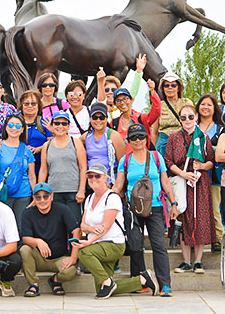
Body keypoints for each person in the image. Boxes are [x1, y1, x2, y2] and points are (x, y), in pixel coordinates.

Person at [73, 164, 159, 299]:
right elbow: (82, 225)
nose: (93, 179)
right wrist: (91, 229)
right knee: (101, 289)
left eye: (97, 176)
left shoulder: (112, 197)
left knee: (83, 252)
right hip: (98, 245)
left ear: (106, 178)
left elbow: (105, 227)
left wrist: (88, 242)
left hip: (113, 244)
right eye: (90, 176)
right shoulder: (89, 199)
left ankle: (108, 282)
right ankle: (142, 280)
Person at [113, 123, 179, 297]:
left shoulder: (156, 157)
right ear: (128, 140)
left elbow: (165, 181)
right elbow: (119, 185)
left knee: (159, 245)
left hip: (155, 206)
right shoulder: (125, 160)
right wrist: (107, 200)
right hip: (133, 208)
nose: (137, 140)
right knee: (135, 245)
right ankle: (138, 281)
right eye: (133, 137)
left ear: (146, 138)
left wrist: (174, 203)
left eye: (141, 136)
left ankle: (165, 284)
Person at [165, 104, 216, 274]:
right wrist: (183, 174)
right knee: (183, 218)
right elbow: (169, 162)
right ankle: (186, 260)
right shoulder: (173, 138)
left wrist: (201, 166)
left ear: (196, 116)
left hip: (199, 183)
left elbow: (211, 161)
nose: (187, 120)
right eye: (183, 117)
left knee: (199, 218)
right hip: (181, 182)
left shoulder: (203, 138)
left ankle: (198, 261)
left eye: (190, 116)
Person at [20, 182, 81, 297]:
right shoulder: (28, 213)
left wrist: (73, 257)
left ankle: (55, 280)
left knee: (70, 272)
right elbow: (25, 238)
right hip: (38, 259)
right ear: (34, 198)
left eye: (46, 196)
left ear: (52, 196)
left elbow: (76, 230)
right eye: (38, 197)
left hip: (59, 258)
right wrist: (38, 241)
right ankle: (33, 284)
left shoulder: (62, 209)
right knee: (24, 250)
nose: (42, 200)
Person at [38, 111, 88, 224]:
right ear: (52, 125)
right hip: (54, 191)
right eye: (57, 123)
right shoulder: (47, 145)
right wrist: (40, 190)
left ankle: (74, 242)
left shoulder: (76, 142)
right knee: (56, 225)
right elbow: (43, 170)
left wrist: (81, 190)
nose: (60, 126)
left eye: (64, 124)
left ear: (68, 126)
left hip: (73, 192)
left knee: (74, 224)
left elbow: (83, 167)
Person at [0, 114, 36, 231]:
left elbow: (31, 175)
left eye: (17, 125)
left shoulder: (26, 150)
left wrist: (35, 194)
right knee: (2, 226)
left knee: (21, 226)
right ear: (5, 127)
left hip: (23, 194)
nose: (14, 128)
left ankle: (19, 249)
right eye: (10, 125)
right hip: (4, 193)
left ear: (22, 130)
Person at [195, 94, 225, 251]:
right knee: (195, 208)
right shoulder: (192, 125)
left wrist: (207, 150)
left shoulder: (220, 129)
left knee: (214, 208)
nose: (205, 107)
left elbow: (221, 149)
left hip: (213, 174)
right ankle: (194, 238)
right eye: (202, 104)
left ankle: (218, 239)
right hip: (193, 174)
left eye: (209, 105)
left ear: (215, 109)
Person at [109, 80, 161, 149]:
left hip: (142, 158)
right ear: (115, 104)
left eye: (125, 99)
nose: (122, 103)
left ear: (131, 100)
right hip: (123, 159)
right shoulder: (114, 123)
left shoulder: (141, 118)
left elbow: (156, 110)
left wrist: (152, 91)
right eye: (118, 101)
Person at [80, 102, 125, 181]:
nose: (98, 120)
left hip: (110, 181)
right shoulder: (85, 137)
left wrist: (119, 187)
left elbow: (122, 164)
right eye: (95, 117)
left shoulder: (113, 135)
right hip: (92, 181)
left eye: (101, 117)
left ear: (106, 119)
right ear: (90, 119)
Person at [152, 72, 192, 158]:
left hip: (183, 143)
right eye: (166, 85)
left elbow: (194, 125)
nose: (170, 88)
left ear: (178, 88)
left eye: (173, 85)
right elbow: (154, 132)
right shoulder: (158, 105)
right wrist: (154, 152)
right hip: (163, 143)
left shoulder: (187, 103)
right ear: (163, 88)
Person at [96, 55, 146, 122]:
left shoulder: (123, 106)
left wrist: (139, 71)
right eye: (106, 90)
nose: (110, 92)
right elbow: (101, 100)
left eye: (113, 90)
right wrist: (100, 82)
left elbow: (133, 91)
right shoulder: (99, 108)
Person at [17, 89, 52, 179]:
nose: (30, 106)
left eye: (33, 104)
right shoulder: (16, 123)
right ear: (21, 106)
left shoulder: (44, 122)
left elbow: (52, 142)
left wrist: (39, 149)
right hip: (19, 166)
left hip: (41, 167)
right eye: (26, 104)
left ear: (38, 106)